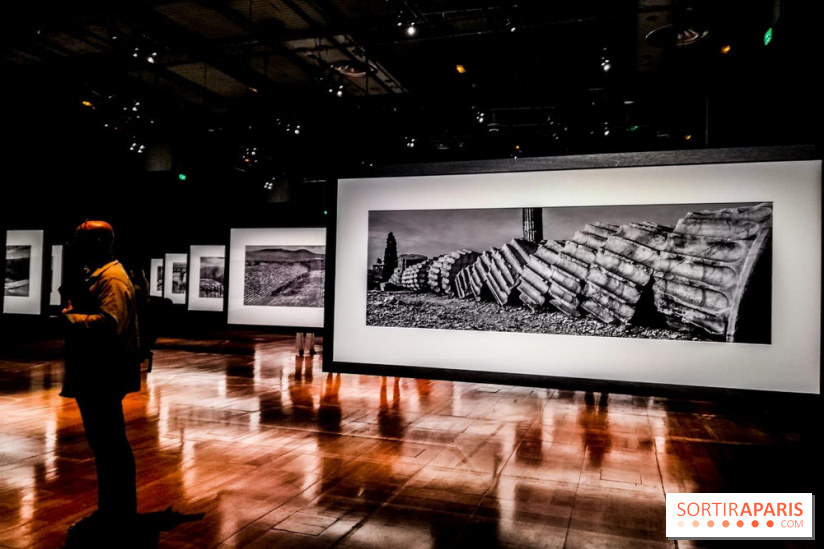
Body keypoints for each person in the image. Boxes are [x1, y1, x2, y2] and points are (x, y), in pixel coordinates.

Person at [59, 220, 141, 542]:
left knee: (110, 446)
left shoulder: (112, 279)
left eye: (79, 239)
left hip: (103, 375)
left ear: (97, 243)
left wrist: (70, 316)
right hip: (99, 373)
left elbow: (109, 324)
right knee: (107, 445)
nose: (74, 245)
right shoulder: (103, 275)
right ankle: (115, 511)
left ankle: (117, 515)